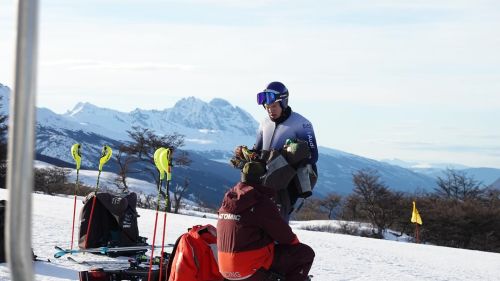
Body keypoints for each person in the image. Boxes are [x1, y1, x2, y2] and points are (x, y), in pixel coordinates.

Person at [217, 162, 315, 281]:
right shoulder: (260, 201)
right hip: (250, 269)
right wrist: (295, 244)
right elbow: (285, 236)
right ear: (263, 178)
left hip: (224, 269)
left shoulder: (227, 202)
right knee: (306, 253)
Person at [254, 81, 318, 220]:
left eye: (274, 106)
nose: (271, 110)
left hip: (289, 183)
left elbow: (313, 156)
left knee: (278, 222)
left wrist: (289, 155)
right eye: (267, 106)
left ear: (283, 103)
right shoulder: (264, 123)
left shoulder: (302, 124)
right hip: (267, 180)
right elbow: (258, 150)